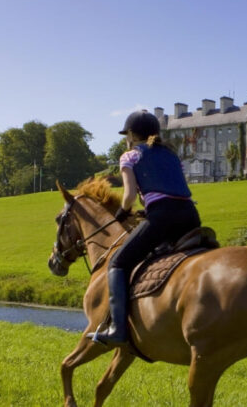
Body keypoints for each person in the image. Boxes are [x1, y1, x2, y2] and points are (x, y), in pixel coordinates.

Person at [89, 110, 201, 347]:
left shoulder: (129, 156)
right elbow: (172, 189)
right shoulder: (172, 155)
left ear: (130, 134)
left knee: (118, 263)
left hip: (162, 217)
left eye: (125, 135)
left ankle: (117, 330)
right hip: (190, 216)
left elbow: (129, 195)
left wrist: (123, 211)